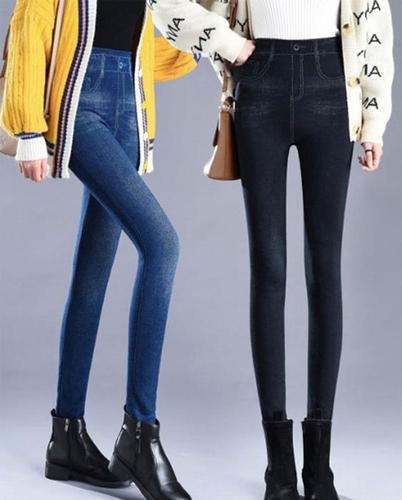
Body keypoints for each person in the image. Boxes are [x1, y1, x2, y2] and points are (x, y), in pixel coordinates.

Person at [149, 1, 394, 499]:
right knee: (269, 268)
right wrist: (228, 43)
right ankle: (279, 468)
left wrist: (374, 119)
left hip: (332, 81)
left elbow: (374, 21)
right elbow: (166, 7)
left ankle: (319, 470)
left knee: (324, 270)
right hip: (259, 81)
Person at [0, 1, 239, 499]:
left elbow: (148, 46)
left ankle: (66, 437)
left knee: (94, 268)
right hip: (78, 102)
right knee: (162, 244)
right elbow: (30, 26)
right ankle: (140, 432)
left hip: (130, 103)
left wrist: (201, 36)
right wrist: (27, 128)